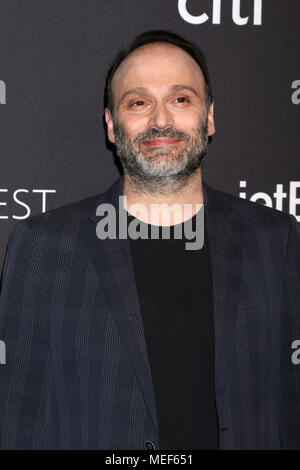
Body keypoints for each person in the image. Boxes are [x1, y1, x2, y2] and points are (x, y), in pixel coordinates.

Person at [0, 29, 300, 450]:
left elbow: (289, 403)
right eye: (139, 103)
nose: (161, 120)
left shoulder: (275, 240)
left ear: (209, 117)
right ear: (111, 124)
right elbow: (15, 413)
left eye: (181, 99)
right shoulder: (45, 247)